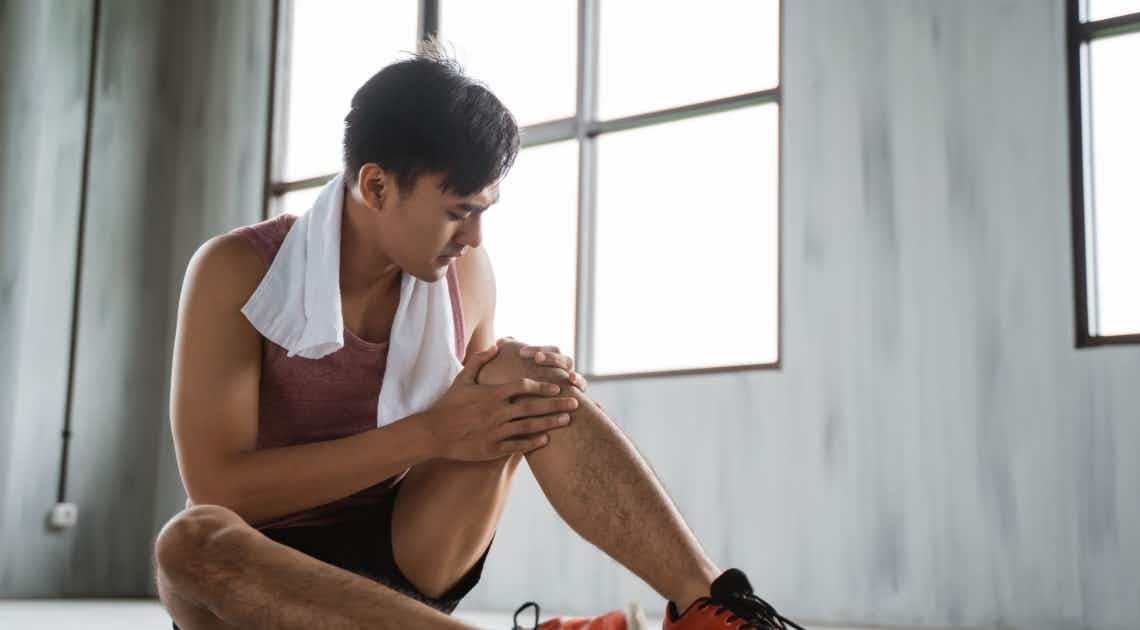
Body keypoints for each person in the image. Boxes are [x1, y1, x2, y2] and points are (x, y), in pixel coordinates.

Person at [153, 44, 801, 630]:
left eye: (483, 212)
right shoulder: (235, 269)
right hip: (259, 578)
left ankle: (712, 612)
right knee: (190, 539)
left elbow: (480, 425)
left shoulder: (465, 274)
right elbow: (221, 487)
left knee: (527, 386)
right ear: (376, 186)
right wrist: (431, 432)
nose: (474, 238)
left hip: (409, 556)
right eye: (458, 212)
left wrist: (504, 392)